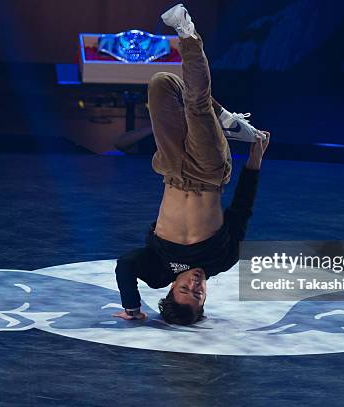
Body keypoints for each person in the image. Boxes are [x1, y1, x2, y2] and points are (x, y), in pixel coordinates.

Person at [113, 4, 270, 325]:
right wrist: (255, 161)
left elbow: (125, 266)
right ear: (205, 298)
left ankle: (223, 117)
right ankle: (187, 32)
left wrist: (132, 308)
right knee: (197, 105)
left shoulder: (157, 269)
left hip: (171, 170)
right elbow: (242, 210)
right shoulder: (223, 259)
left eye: (185, 289)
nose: (194, 285)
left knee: (162, 83)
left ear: (171, 289)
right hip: (208, 172)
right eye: (198, 294)